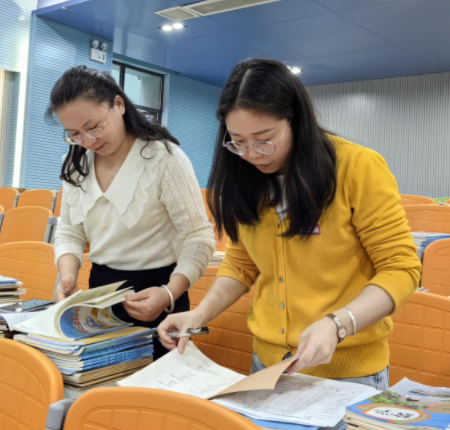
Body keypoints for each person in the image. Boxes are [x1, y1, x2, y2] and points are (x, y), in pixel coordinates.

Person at [157, 58, 421, 389]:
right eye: (238, 141)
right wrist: (199, 315)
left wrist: (338, 324)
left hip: (348, 373)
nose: (252, 153)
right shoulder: (245, 177)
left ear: (296, 120)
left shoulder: (356, 167)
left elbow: (401, 268)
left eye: (265, 138)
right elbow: (241, 265)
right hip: (267, 365)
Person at [48, 65, 216, 359]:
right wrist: (68, 276)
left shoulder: (164, 158)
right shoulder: (76, 162)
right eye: (74, 134)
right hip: (100, 298)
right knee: (101, 379)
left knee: (156, 383)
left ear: (119, 104)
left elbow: (198, 238)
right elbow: (70, 230)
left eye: (94, 127)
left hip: (159, 295)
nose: (88, 141)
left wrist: (169, 293)